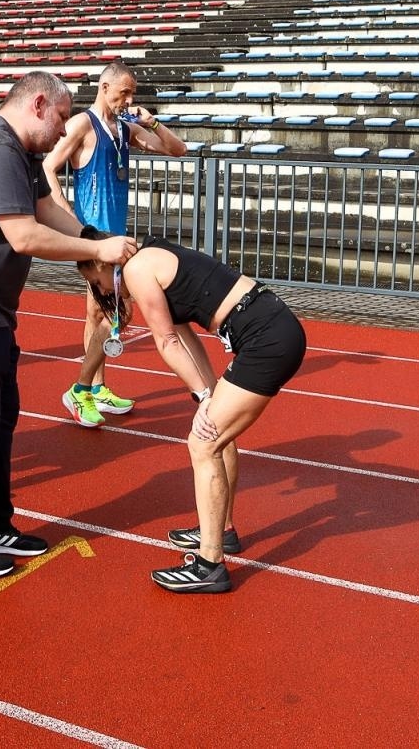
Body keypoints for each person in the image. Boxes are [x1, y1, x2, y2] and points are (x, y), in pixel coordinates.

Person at [0, 71, 137, 579]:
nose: (64, 131)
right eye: (60, 118)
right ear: (38, 105)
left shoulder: (20, 152)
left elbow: (44, 210)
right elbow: (25, 235)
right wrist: (98, 249)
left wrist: (91, 235)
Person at [77, 233, 307, 594]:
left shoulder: (137, 270)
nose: (99, 290)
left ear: (103, 263)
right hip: (270, 326)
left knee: (203, 443)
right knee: (217, 432)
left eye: (95, 281)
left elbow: (166, 341)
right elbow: (188, 339)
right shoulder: (153, 255)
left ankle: (210, 564)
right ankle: (223, 531)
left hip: (266, 337)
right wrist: (207, 393)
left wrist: (203, 397)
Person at [42, 59, 186, 427]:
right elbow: (47, 167)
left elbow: (177, 149)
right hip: (94, 241)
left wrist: (151, 121)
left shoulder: (125, 129)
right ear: (104, 88)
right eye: (124, 92)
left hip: (116, 238)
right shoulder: (81, 125)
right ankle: (81, 390)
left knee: (105, 313)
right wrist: (68, 217)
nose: (128, 99)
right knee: (111, 312)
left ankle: (96, 388)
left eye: (132, 93)